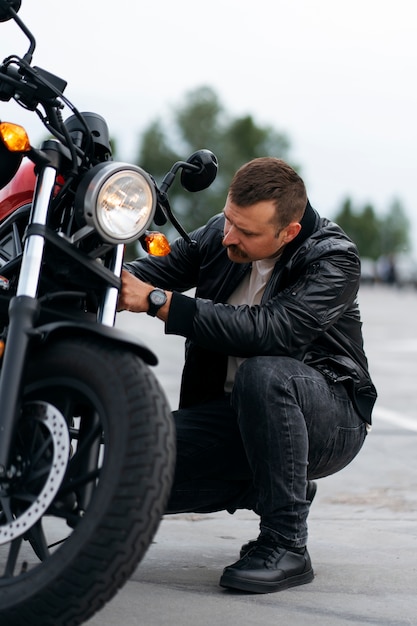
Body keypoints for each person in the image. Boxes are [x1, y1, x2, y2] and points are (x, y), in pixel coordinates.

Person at [118, 157, 377, 594]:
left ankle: (287, 543)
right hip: (236, 417)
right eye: (229, 221)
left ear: (288, 232)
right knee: (123, 472)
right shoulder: (221, 234)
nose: (228, 237)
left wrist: (161, 302)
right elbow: (139, 278)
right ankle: (271, 488)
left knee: (264, 373)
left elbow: (274, 331)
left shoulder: (333, 259)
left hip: (328, 418)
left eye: (247, 232)